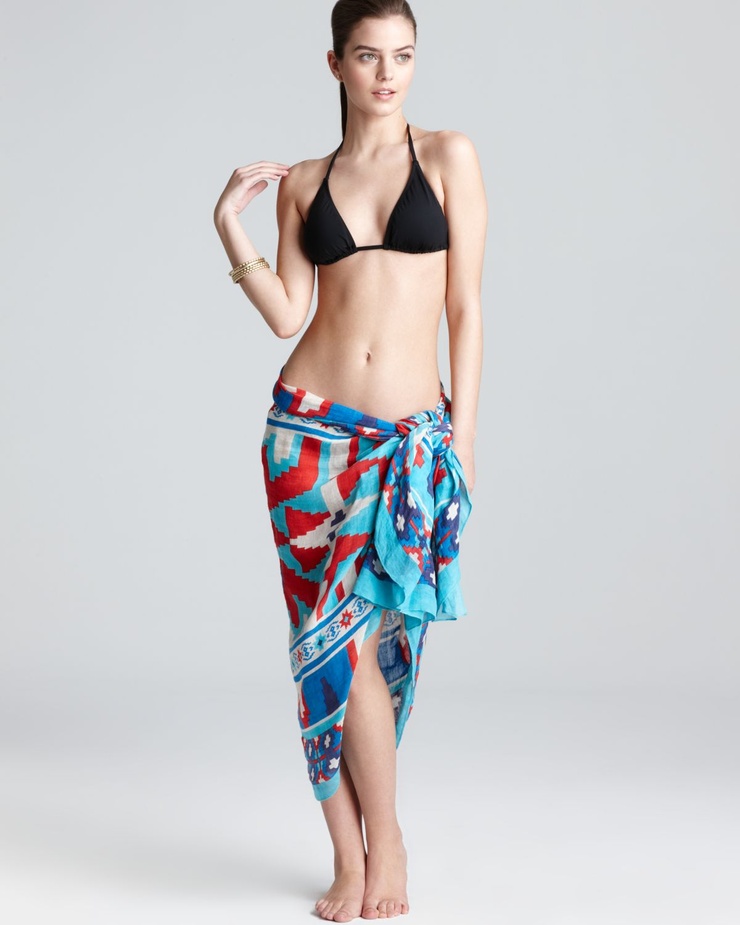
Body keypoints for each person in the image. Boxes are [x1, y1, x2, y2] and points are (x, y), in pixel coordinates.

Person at [213, 1, 486, 919]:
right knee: (321, 645)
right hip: (306, 436)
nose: (387, 74)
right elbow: (289, 314)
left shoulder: (448, 158)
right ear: (335, 64)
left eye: (402, 55)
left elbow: (466, 310)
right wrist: (229, 227)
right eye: (368, 56)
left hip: (406, 441)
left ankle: (387, 840)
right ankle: (351, 852)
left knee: (368, 641)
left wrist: (463, 442)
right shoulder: (304, 184)